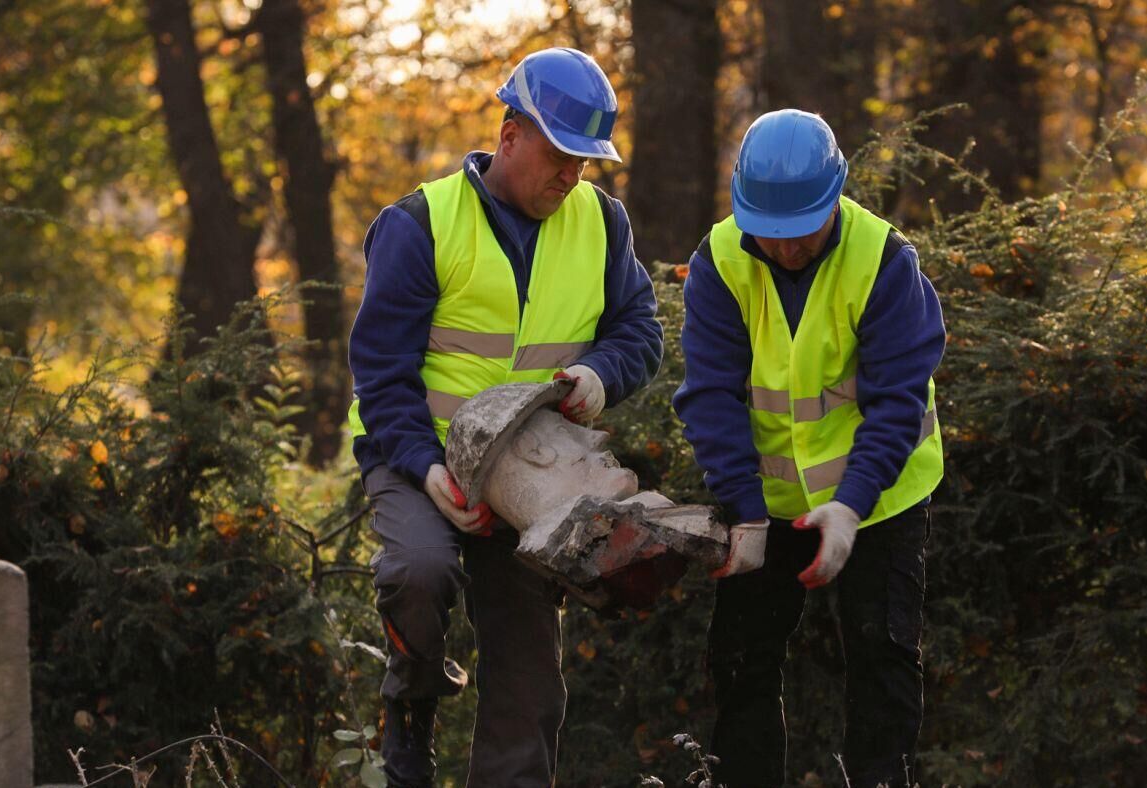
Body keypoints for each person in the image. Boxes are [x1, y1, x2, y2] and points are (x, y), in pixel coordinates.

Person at [345, 47, 663, 788]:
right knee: (418, 573)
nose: (570, 177)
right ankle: (412, 712)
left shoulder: (603, 224)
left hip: (535, 472)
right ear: (511, 133)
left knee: (529, 675)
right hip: (417, 452)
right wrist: (427, 472)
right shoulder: (419, 224)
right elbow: (382, 375)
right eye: (559, 155)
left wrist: (598, 374)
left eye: (584, 163)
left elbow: (639, 332)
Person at [672, 109, 945, 788]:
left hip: (878, 502)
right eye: (771, 233)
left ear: (836, 198)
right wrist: (746, 512)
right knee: (739, 661)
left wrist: (851, 506)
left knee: (883, 661)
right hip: (764, 503)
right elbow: (711, 397)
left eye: (802, 232)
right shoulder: (719, 261)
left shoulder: (884, 261)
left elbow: (896, 405)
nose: (787, 248)